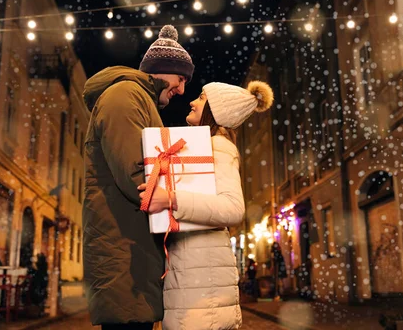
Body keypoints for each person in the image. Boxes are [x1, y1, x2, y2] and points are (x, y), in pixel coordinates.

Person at [82, 25, 194, 329]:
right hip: (124, 256)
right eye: (181, 79)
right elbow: (137, 178)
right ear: (163, 70)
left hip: (133, 252)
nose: (182, 90)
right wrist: (186, 196)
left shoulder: (139, 100)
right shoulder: (125, 95)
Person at [138, 80, 274, 330]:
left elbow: (232, 208)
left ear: (216, 110)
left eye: (201, 98)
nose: (192, 101)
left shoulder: (219, 146)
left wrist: (170, 199)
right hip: (196, 280)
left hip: (202, 289)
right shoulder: (204, 147)